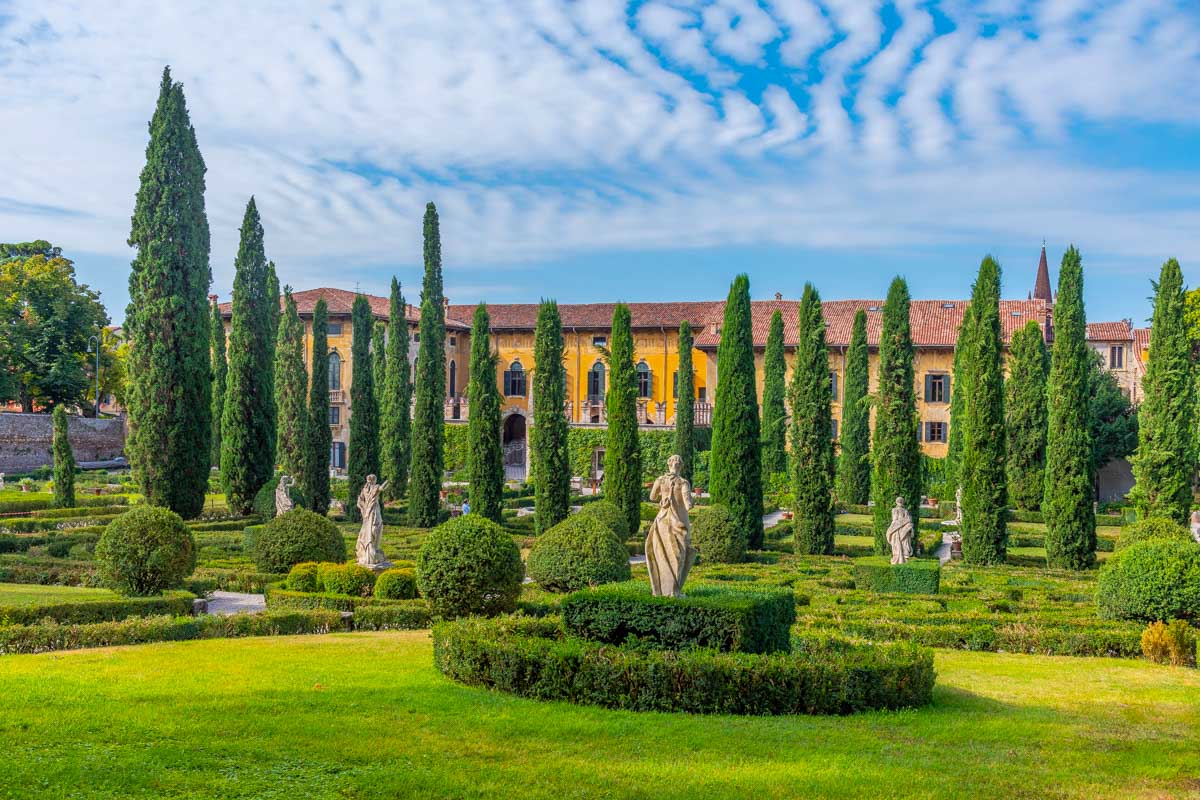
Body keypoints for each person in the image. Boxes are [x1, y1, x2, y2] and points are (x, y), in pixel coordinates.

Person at [645, 455, 695, 597]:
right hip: (678, 521)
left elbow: (652, 497)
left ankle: (661, 590)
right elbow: (688, 504)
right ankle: (673, 591)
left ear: (669, 465)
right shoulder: (683, 483)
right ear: (681, 466)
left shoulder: (660, 480)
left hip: (662, 520)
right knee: (679, 555)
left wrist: (663, 498)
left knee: (661, 553)